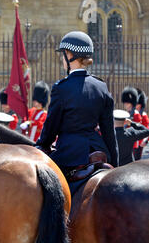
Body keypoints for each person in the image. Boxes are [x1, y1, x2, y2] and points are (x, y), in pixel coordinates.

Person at [36, 31, 119, 176]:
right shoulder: (101, 86)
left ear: (69, 55)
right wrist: (116, 165)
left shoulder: (61, 88)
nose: (62, 59)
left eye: (63, 55)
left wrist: (42, 145)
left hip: (69, 154)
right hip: (98, 150)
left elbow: (51, 126)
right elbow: (109, 133)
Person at [134, 88, 149, 160]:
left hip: (139, 142)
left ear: (139, 105)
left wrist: (144, 140)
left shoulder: (143, 115)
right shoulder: (132, 114)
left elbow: (146, 129)